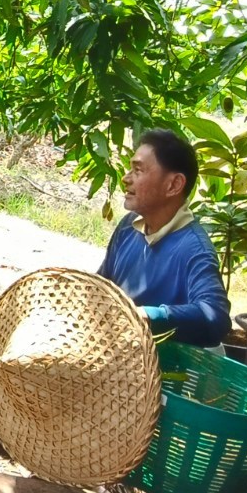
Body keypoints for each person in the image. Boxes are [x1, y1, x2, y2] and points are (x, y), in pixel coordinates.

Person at [98, 128, 231, 348]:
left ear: (174, 185)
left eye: (138, 170)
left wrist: (149, 317)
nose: (126, 178)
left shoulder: (194, 249)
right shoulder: (128, 227)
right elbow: (102, 286)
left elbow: (215, 316)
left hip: (167, 376)